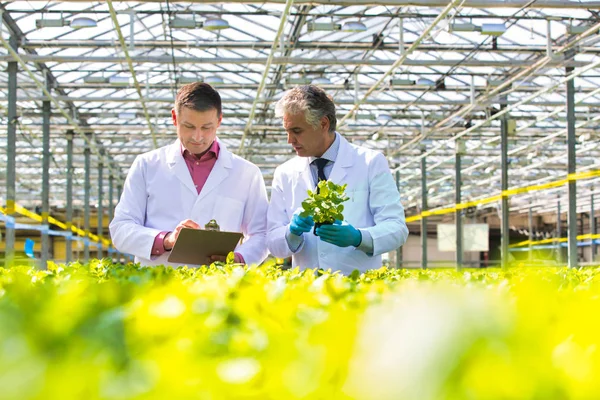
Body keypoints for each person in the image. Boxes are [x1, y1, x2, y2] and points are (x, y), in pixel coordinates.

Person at [110, 82, 268, 267]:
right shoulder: (147, 166)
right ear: (174, 118)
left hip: (218, 285)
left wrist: (238, 259)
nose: (197, 137)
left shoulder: (246, 173)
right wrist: (167, 239)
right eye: (189, 126)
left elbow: (262, 234)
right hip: (158, 286)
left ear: (219, 121)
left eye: (206, 127)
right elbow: (120, 229)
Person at [266, 85, 408, 275]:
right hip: (307, 291)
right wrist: (291, 233)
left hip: (358, 290)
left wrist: (359, 237)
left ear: (323, 124)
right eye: (287, 131)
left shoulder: (370, 163)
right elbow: (273, 244)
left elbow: (397, 229)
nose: (289, 140)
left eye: (297, 131)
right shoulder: (285, 173)